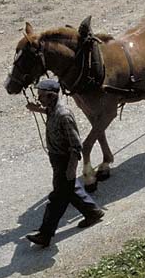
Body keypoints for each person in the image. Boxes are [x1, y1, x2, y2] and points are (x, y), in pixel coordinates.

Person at [25, 79, 104, 247]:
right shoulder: (52, 109)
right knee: (70, 190)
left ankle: (45, 235)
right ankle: (93, 212)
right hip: (56, 159)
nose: (39, 99)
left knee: (57, 199)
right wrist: (36, 109)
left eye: (41, 96)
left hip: (64, 161)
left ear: (51, 96)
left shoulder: (64, 115)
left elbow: (76, 146)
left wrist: (70, 169)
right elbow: (48, 112)